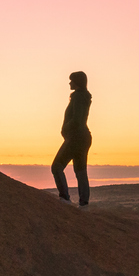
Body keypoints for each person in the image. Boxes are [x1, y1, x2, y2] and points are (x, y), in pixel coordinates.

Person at [51, 70, 93, 207]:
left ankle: (65, 198)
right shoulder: (83, 96)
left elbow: (77, 119)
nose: (70, 83)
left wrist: (66, 128)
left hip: (76, 137)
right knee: (80, 170)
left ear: (77, 82)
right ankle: (84, 204)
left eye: (71, 80)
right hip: (83, 137)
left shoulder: (78, 97)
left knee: (57, 166)